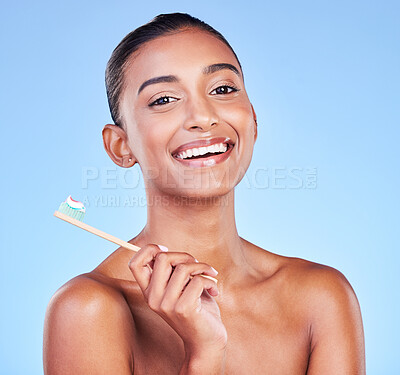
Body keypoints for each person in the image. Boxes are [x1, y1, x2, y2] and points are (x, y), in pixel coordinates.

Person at [43, 13, 365, 374]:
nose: (203, 116)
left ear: (253, 121)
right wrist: (204, 355)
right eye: (164, 99)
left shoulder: (321, 298)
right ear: (121, 146)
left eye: (223, 89)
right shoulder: (89, 309)